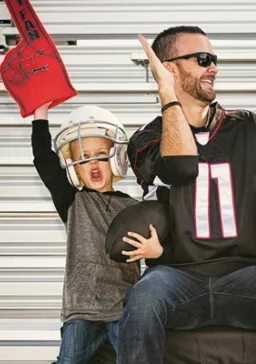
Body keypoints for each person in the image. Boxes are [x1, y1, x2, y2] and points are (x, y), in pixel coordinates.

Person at [117, 26, 256, 364]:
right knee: (144, 297)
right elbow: (180, 168)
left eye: (214, 59)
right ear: (170, 68)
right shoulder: (147, 138)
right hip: (178, 275)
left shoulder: (250, 127)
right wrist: (167, 95)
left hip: (247, 272)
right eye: (202, 59)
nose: (214, 68)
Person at [31, 102, 155, 363]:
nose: (93, 164)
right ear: (74, 167)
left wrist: (156, 251)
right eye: (84, 158)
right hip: (81, 311)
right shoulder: (72, 201)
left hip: (122, 308)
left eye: (100, 155)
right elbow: (44, 159)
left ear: (116, 158)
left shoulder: (135, 208)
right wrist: (39, 113)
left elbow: (160, 252)